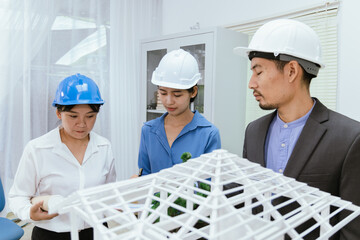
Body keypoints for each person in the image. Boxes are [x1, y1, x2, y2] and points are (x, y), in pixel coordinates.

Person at [233, 19, 360, 239]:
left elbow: (352, 228)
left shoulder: (349, 138)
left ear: (292, 71)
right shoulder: (253, 132)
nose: (251, 83)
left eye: (258, 71)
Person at [9, 73, 116, 240]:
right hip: (52, 234)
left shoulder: (104, 147)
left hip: (96, 231)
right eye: (73, 116)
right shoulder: (38, 149)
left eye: (90, 116)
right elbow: (18, 196)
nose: (82, 124)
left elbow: (108, 191)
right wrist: (30, 213)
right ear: (59, 113)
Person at [137, 49, 221, 176]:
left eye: (177, 94)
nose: (169, 101)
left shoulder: (208, 134)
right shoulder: (148, 131)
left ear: (193, 92)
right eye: (163, 93)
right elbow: (144, 175)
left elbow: (209, 183)